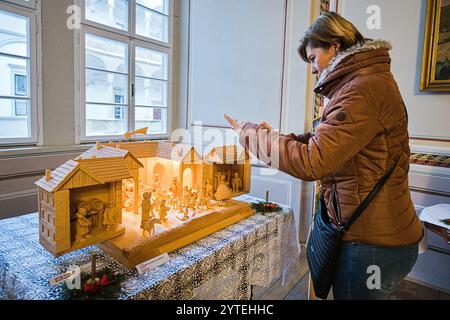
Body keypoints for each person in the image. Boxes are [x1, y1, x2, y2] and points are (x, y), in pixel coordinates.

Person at [225, 11, 423, 300]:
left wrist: (251, 136)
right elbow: (324, 142)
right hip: (377, 233)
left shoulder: (362, 89)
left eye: (313, 58)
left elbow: (313, 161)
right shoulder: (364, 82)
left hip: (372, 242)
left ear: (335, 46)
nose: (312, 69)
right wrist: (273, 137)